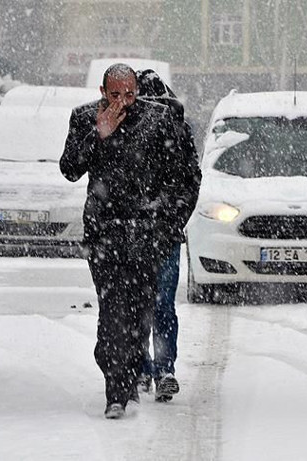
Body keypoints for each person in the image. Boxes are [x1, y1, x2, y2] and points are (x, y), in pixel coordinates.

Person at [60, 63, 201, 419]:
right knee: (111, 313)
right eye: (115, 94)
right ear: (102, 92)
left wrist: (167, 223)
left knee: (140, 314)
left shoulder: (158, 120)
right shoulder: (84, 118)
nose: (123, 102)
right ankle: (116, 391)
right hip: (104, 235)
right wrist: (98, 135)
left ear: (137, 91)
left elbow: (184, 177)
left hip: (146, 236)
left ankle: (130, 371)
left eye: (130, 94)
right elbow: (70, 168)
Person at [133, 69, 198, 403]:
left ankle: (158, 368)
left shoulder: (175, 130)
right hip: (149, 233)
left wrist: (172, 217)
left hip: (158, 233)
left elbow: (190, 180)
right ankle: (151, 368)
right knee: (153, 304)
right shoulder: (173, 128)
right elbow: (191, 181)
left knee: (153, 303)